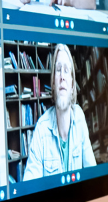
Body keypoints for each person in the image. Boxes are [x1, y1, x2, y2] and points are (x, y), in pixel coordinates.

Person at [23, 43, 96, 179]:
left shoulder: (79, 117)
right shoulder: (41, 128)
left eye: (67, 70)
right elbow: (30, 185)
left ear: (72, 84)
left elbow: (92, 173)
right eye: (58, 69)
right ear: (53, 83)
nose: (62, 76)